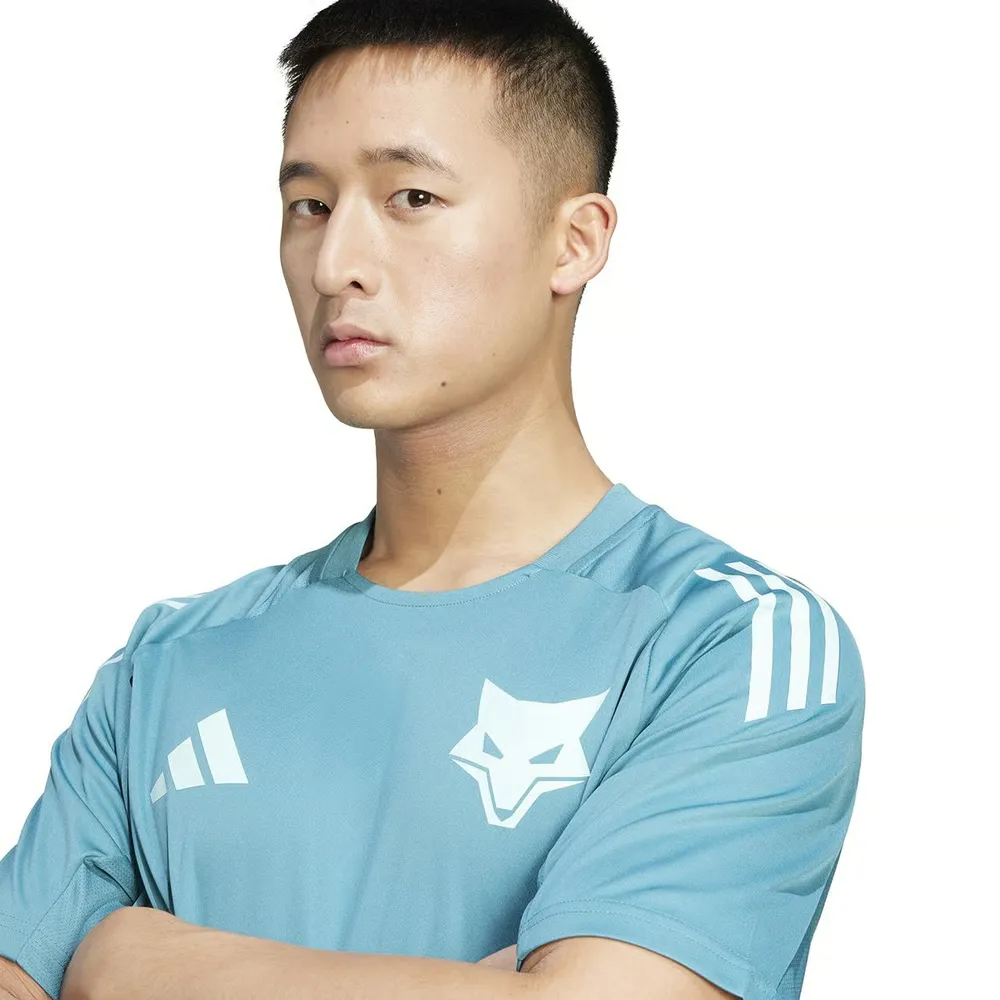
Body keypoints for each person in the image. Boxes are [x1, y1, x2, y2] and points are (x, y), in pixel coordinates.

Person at [0, 2, 865, 999]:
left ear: (574, 241)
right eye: (309, 205)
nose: (336, 265)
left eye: (410, 197)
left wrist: (134, 960)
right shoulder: (165, 664)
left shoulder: (729, 642)